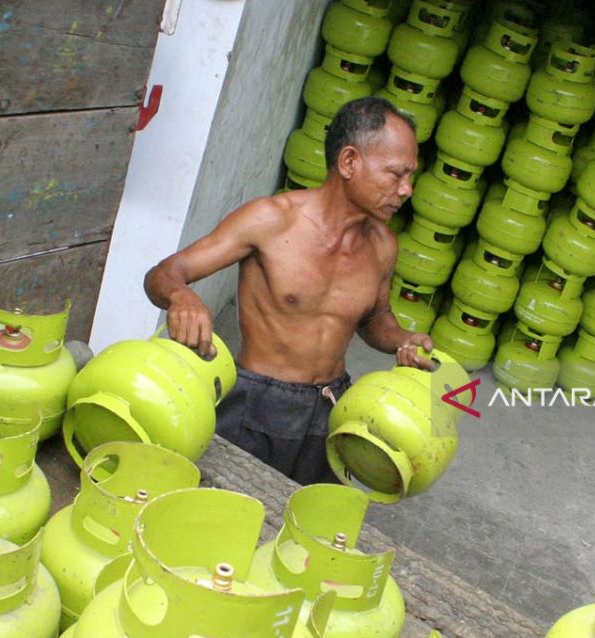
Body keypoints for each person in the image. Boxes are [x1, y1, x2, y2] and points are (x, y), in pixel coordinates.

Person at [143, 97, 434, 484]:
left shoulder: (383, 245)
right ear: (349, 162)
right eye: (396, 174)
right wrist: (181, 296)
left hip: (331, 408)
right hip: (256, 406)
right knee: (223, 517)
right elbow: (165, 273)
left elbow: (376, 319)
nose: (406, 190)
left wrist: (403, 340)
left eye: (409, 176)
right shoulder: (270, 220)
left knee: (307, 529)